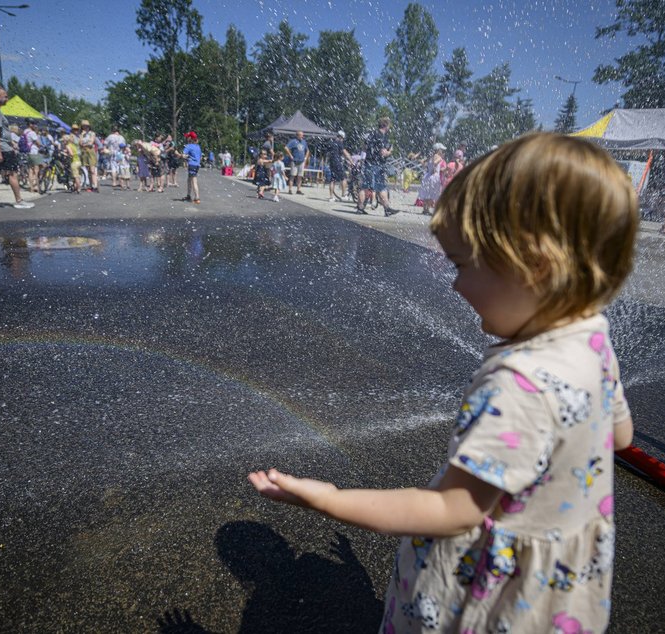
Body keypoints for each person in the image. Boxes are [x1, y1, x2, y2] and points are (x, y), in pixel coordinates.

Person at [250, 132, 639, 634]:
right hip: (560, 592)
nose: (454, 284)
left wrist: (328, 498)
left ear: (534, 266)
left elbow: (453, 511)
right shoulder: (593, 336)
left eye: (461, 264)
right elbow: (621, 436)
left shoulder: (518, 384)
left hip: (489, 600)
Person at [358, 117, 395, 215]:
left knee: (364, 186)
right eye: (389, 126)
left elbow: (364, 147)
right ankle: (387, 209)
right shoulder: (382, 136)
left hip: (368, 163)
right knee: (381, 187)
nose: (389, 128)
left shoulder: (371, 134)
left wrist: (365, 159)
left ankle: (360, 208)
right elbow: (383, 153)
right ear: (385, 126)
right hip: (378, 165)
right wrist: (390, 152)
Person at [419, 143, 446, 215]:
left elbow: (423, 163)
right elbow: (435, 163)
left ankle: (425, 209)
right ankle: (427, 210)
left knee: (427, 193)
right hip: (434, 176)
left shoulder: (430, 156)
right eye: (442, 150)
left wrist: (430, 167)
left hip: (428, 175)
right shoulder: (439, 157)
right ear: (438, 150)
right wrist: (435, 165)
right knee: (432, 193)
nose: (442, 151)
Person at [327, 130, 352, 202]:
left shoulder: (331, 143)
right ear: (341, 137)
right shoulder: (339, 142)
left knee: (332, 180)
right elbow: (345, 153)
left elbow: (329, 153)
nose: (343, 140)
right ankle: (343, 195)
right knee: (344, 178)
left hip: (331, 162)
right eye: (343, 138)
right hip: (337, 162)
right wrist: (351, 161)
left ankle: (331, 197)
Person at [21, 121, 44, 194]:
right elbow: (38, 143)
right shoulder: (32, 133)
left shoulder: (25, 131)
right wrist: (42, 146)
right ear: (30, 124)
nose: (35, 125)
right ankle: (36, 186)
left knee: (31, 170)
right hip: (34, 152)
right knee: (37, 169)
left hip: (28, 152)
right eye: (34, 124)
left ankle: (31, 188)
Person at [285, 130, 310, 195]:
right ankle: (290, 189)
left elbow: (307, 150)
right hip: (294, 161)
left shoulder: (304, 142)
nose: (302, 136)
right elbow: (286, 148)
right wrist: (290, 155)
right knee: (292, 175)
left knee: (300, 176)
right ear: (297, 135)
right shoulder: (293, 141)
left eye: (302, 135)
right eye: (301, 135)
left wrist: (305, 158)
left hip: (301, 161)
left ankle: (298, 189)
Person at [78, 120, 99, 192]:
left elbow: (91, 143)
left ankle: (95, 185)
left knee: (92, 169)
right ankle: (90, 185)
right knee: (86, 169)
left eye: (86, 126)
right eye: (83, 126)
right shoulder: (81, 134)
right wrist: (81, 135)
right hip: (84, 152)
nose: (85, 127)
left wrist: (84, 144)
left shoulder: (92, 133)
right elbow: (80, 143)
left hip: (90, 151)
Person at [181, 130, 202, 203]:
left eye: (188, 137)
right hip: (197, 165)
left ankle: (197, 197)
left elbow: (183, 155)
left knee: (193, 181)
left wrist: (185, 156)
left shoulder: (188, 146)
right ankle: (188, 195)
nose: (187, 138)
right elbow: (200, 157)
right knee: (189, 180)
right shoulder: (198, 147)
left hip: (192, 164)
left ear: (190, 138)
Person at [61, 128, 82, 194]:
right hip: (78, 161)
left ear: (66, 141)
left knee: (75, 177)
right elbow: (74, 151)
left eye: (63, 141)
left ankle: (79, 188)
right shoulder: (72, 145)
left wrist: (65, 154)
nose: (63, 142)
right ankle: (76, 187)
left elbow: (71, 154)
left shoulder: (67, 146)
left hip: (74, 162)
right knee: (77, 175)